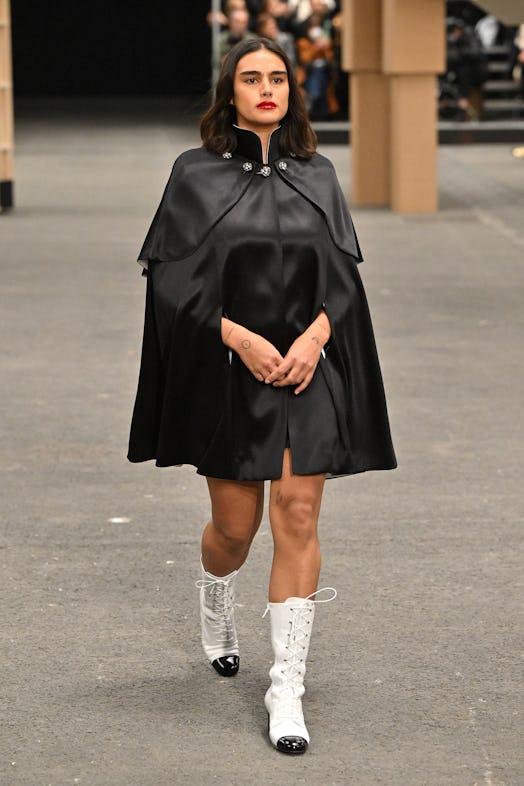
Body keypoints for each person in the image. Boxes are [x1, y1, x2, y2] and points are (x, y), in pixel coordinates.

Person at [128, 38, 396, 755]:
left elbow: (343, 278)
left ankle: (287, 687)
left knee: (300, 510)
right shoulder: (194, 175)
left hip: (310, 369)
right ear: (231, 92)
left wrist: (314, 339)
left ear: (292, 90)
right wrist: (238, 338)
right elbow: (171, 284)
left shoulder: (320, 173)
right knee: (236, 530)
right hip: (231, 369)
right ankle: (217, 595)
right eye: (252, 78)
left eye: (277, 77)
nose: (267, 88)